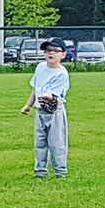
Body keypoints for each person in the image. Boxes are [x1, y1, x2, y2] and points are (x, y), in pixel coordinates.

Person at [21, 37, 71, 178]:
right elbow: (36, 89)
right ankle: (40, 171)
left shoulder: (62, 73)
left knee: (57, 143)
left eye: (55, 51)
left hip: (55, 112)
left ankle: (60, 172)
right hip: (40, 111)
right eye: (48, 50)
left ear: (63, 55)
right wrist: (28, 105)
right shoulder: (40, 67)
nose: (51, 53)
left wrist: (46, 95)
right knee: (40, 142)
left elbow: (50, 94)